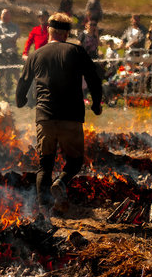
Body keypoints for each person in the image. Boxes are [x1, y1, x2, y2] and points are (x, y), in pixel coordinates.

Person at [16, 12, 103, 217]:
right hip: (71, 116)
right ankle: (61, 182)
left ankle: (44, 212)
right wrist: (96, 104)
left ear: (49, 32)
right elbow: (94, 79)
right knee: (74, 161)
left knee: (45, 165)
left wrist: (21, 101)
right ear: (66, 33)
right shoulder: (77, 51)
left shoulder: (37, 54)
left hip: (45, 117)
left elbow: (23, 82)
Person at [0, 9, 20, 101]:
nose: (5, 16)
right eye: (4, 15)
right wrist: (10, 37)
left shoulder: (15, 26)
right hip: (2, 54)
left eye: (7, 14)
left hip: (13, 53)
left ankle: (20, 94)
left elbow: (16, 35)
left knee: (16, 75)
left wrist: (5, 37)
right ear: (1, 16)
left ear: (10, 16)